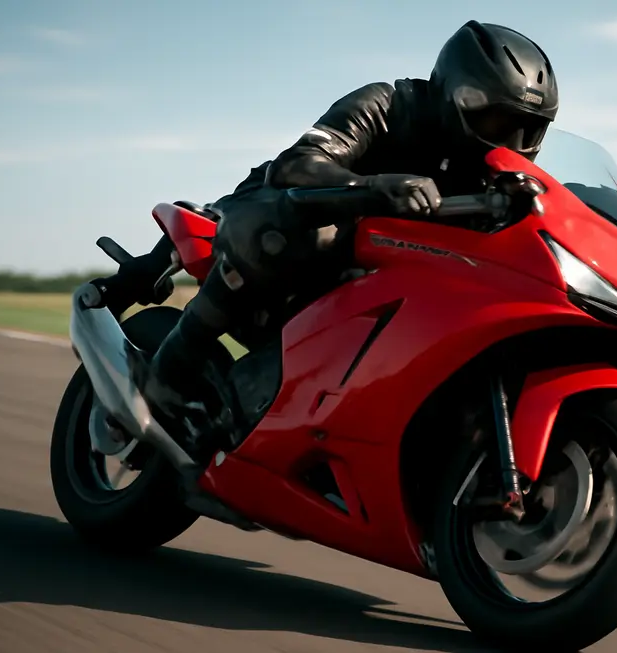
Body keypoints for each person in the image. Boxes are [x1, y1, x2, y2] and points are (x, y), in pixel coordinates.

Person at [119, 20, 560, 449]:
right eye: (497, 123)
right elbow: (297, 165)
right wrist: (372, 187)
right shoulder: (389, 105)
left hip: (377, 270)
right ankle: (172, 368)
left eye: (526, 129)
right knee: (299, 231)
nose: (510, 141)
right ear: (456, 95)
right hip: (280, 221)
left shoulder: (500, 180)